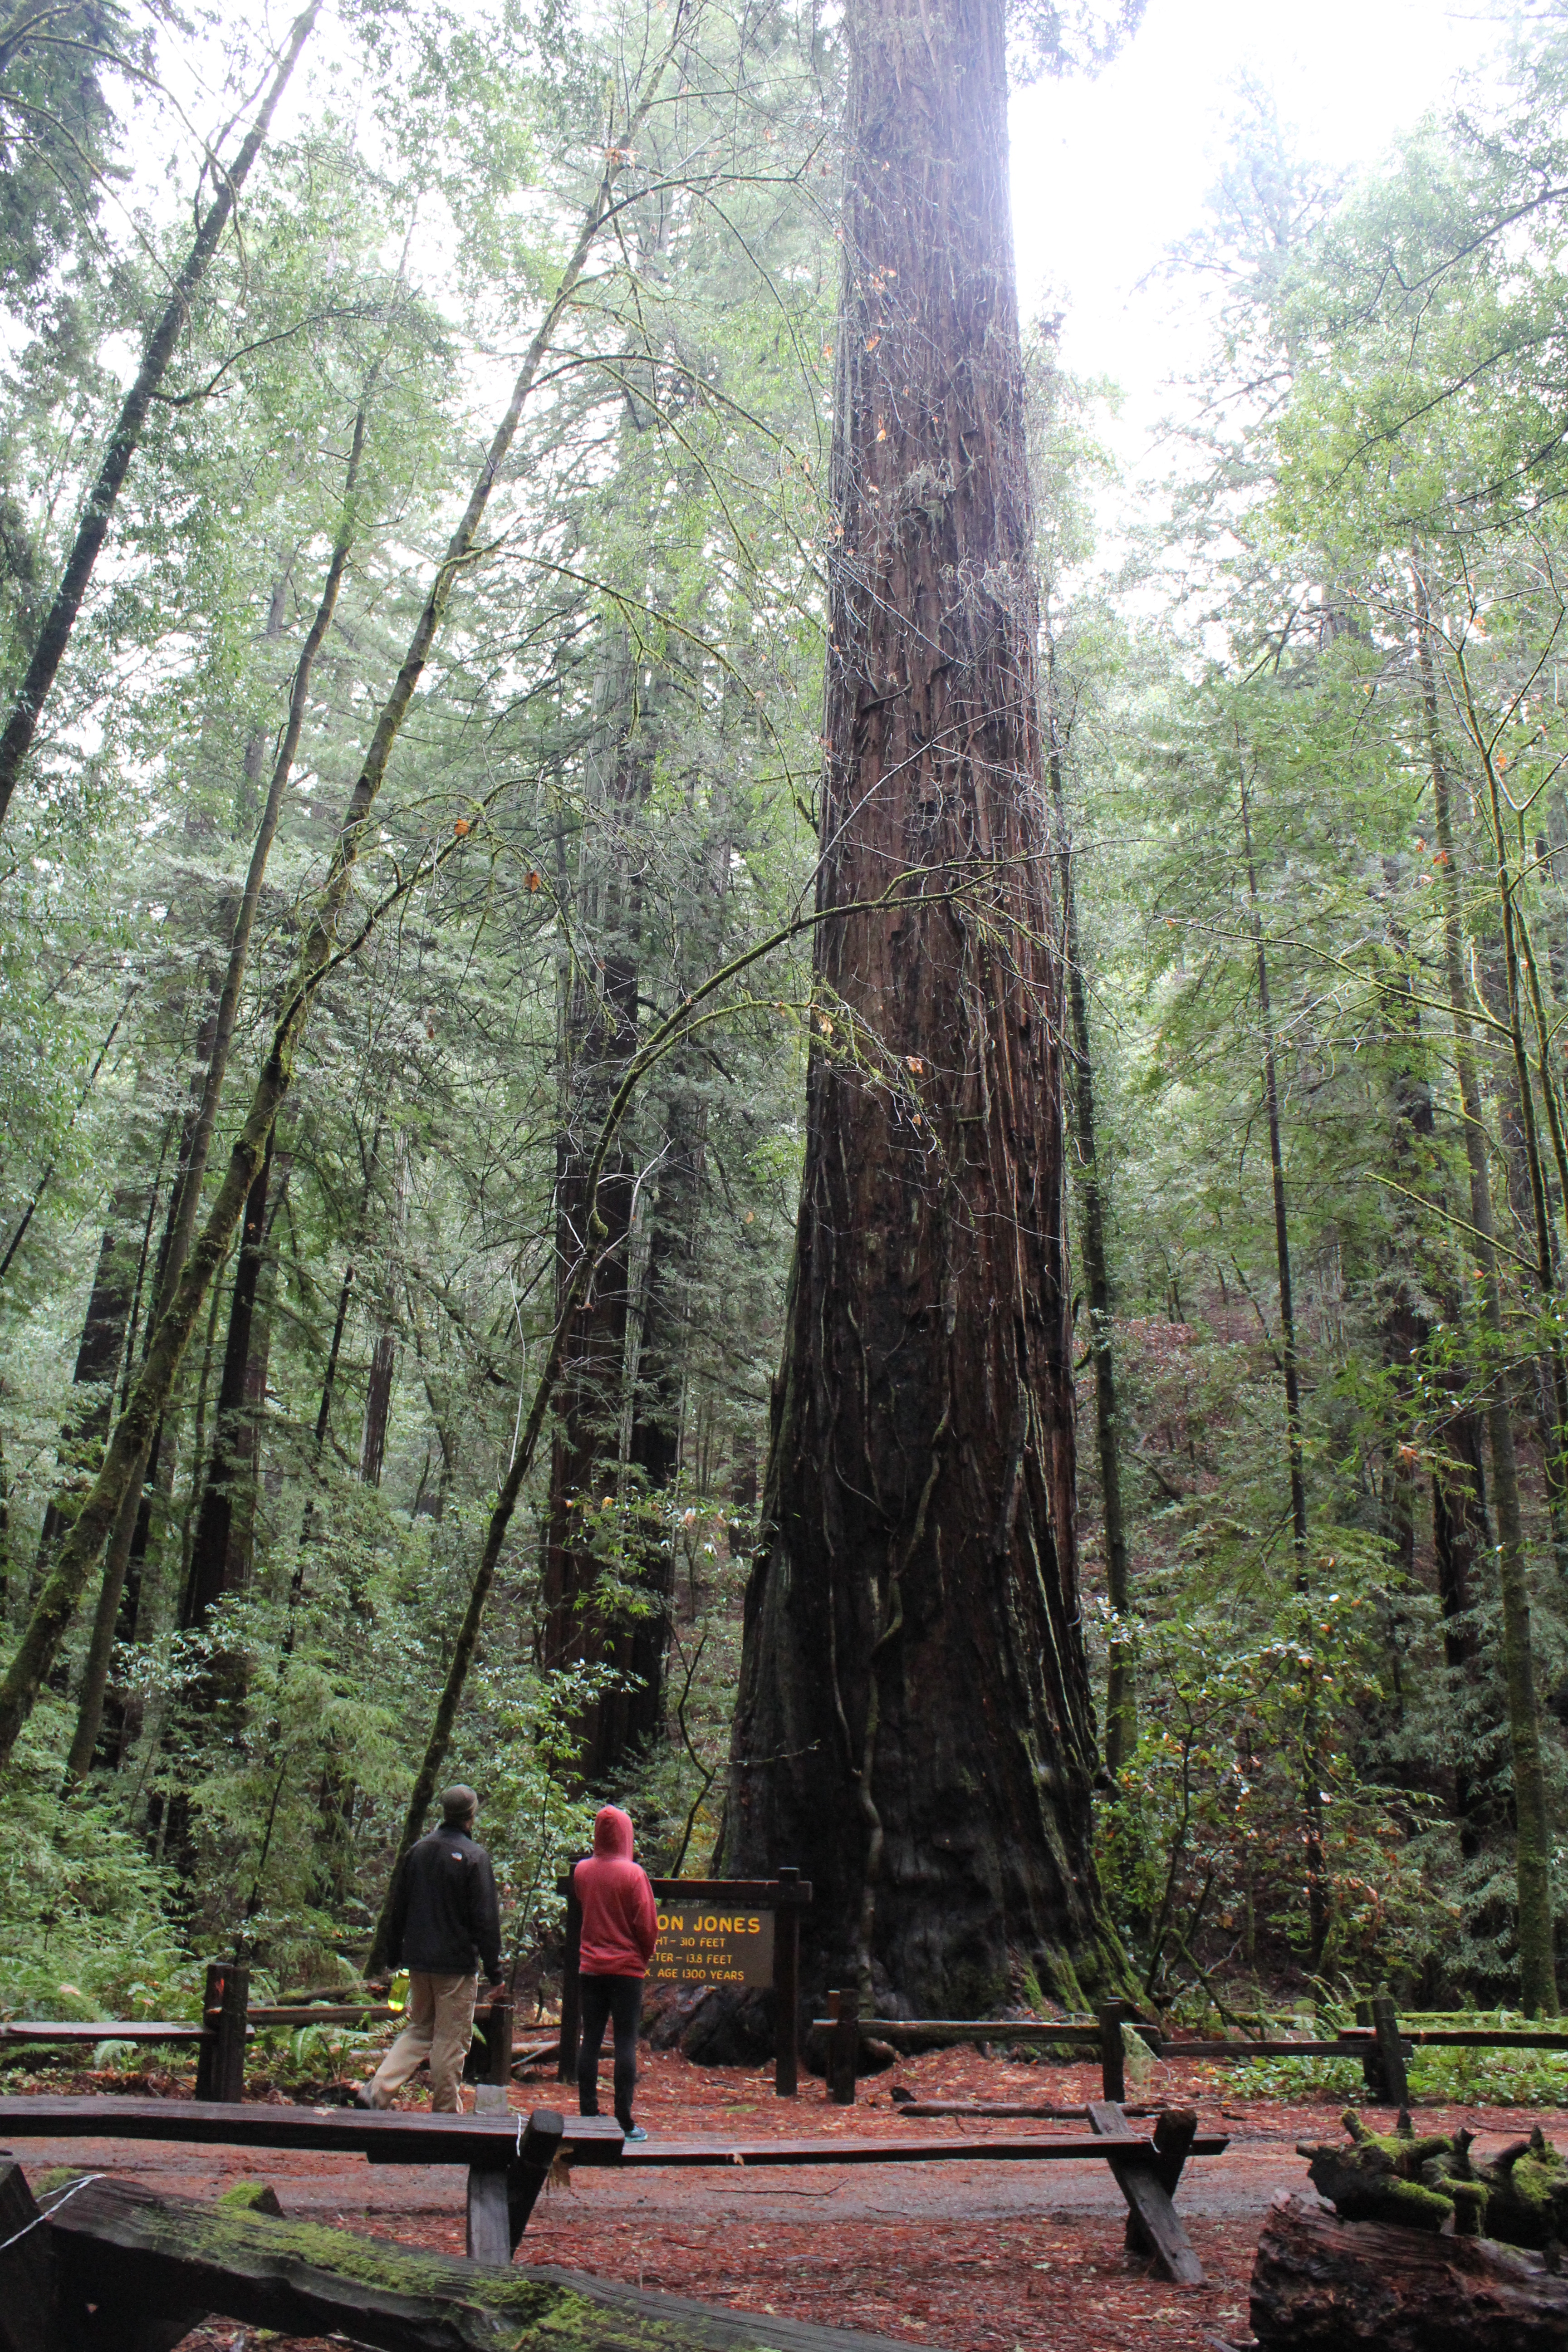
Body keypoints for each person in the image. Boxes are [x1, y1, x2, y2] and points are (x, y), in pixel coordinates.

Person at [357, 1784, 504, 2112]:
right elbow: (485, 1921)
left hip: (418, 1964)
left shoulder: (418, 1851)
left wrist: (396, 1956)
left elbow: (399, 1908)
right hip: (455, 1969)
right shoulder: (474, 1858)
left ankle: (377, 2092)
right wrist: (496, 1972)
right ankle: (446, 2115)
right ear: (472, 1815)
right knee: (451, 2041)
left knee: (419, 2028)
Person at [572, 1803, 658, 2140]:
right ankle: (625, 2121)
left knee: (590, 2040)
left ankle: (588, 2113)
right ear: (626, 1834)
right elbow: (647, 1926)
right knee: (625, 2042)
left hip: (590, 1968)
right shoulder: (634, 1875)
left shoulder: (582, 1871)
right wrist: (644, 1956)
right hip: (627, 1971)